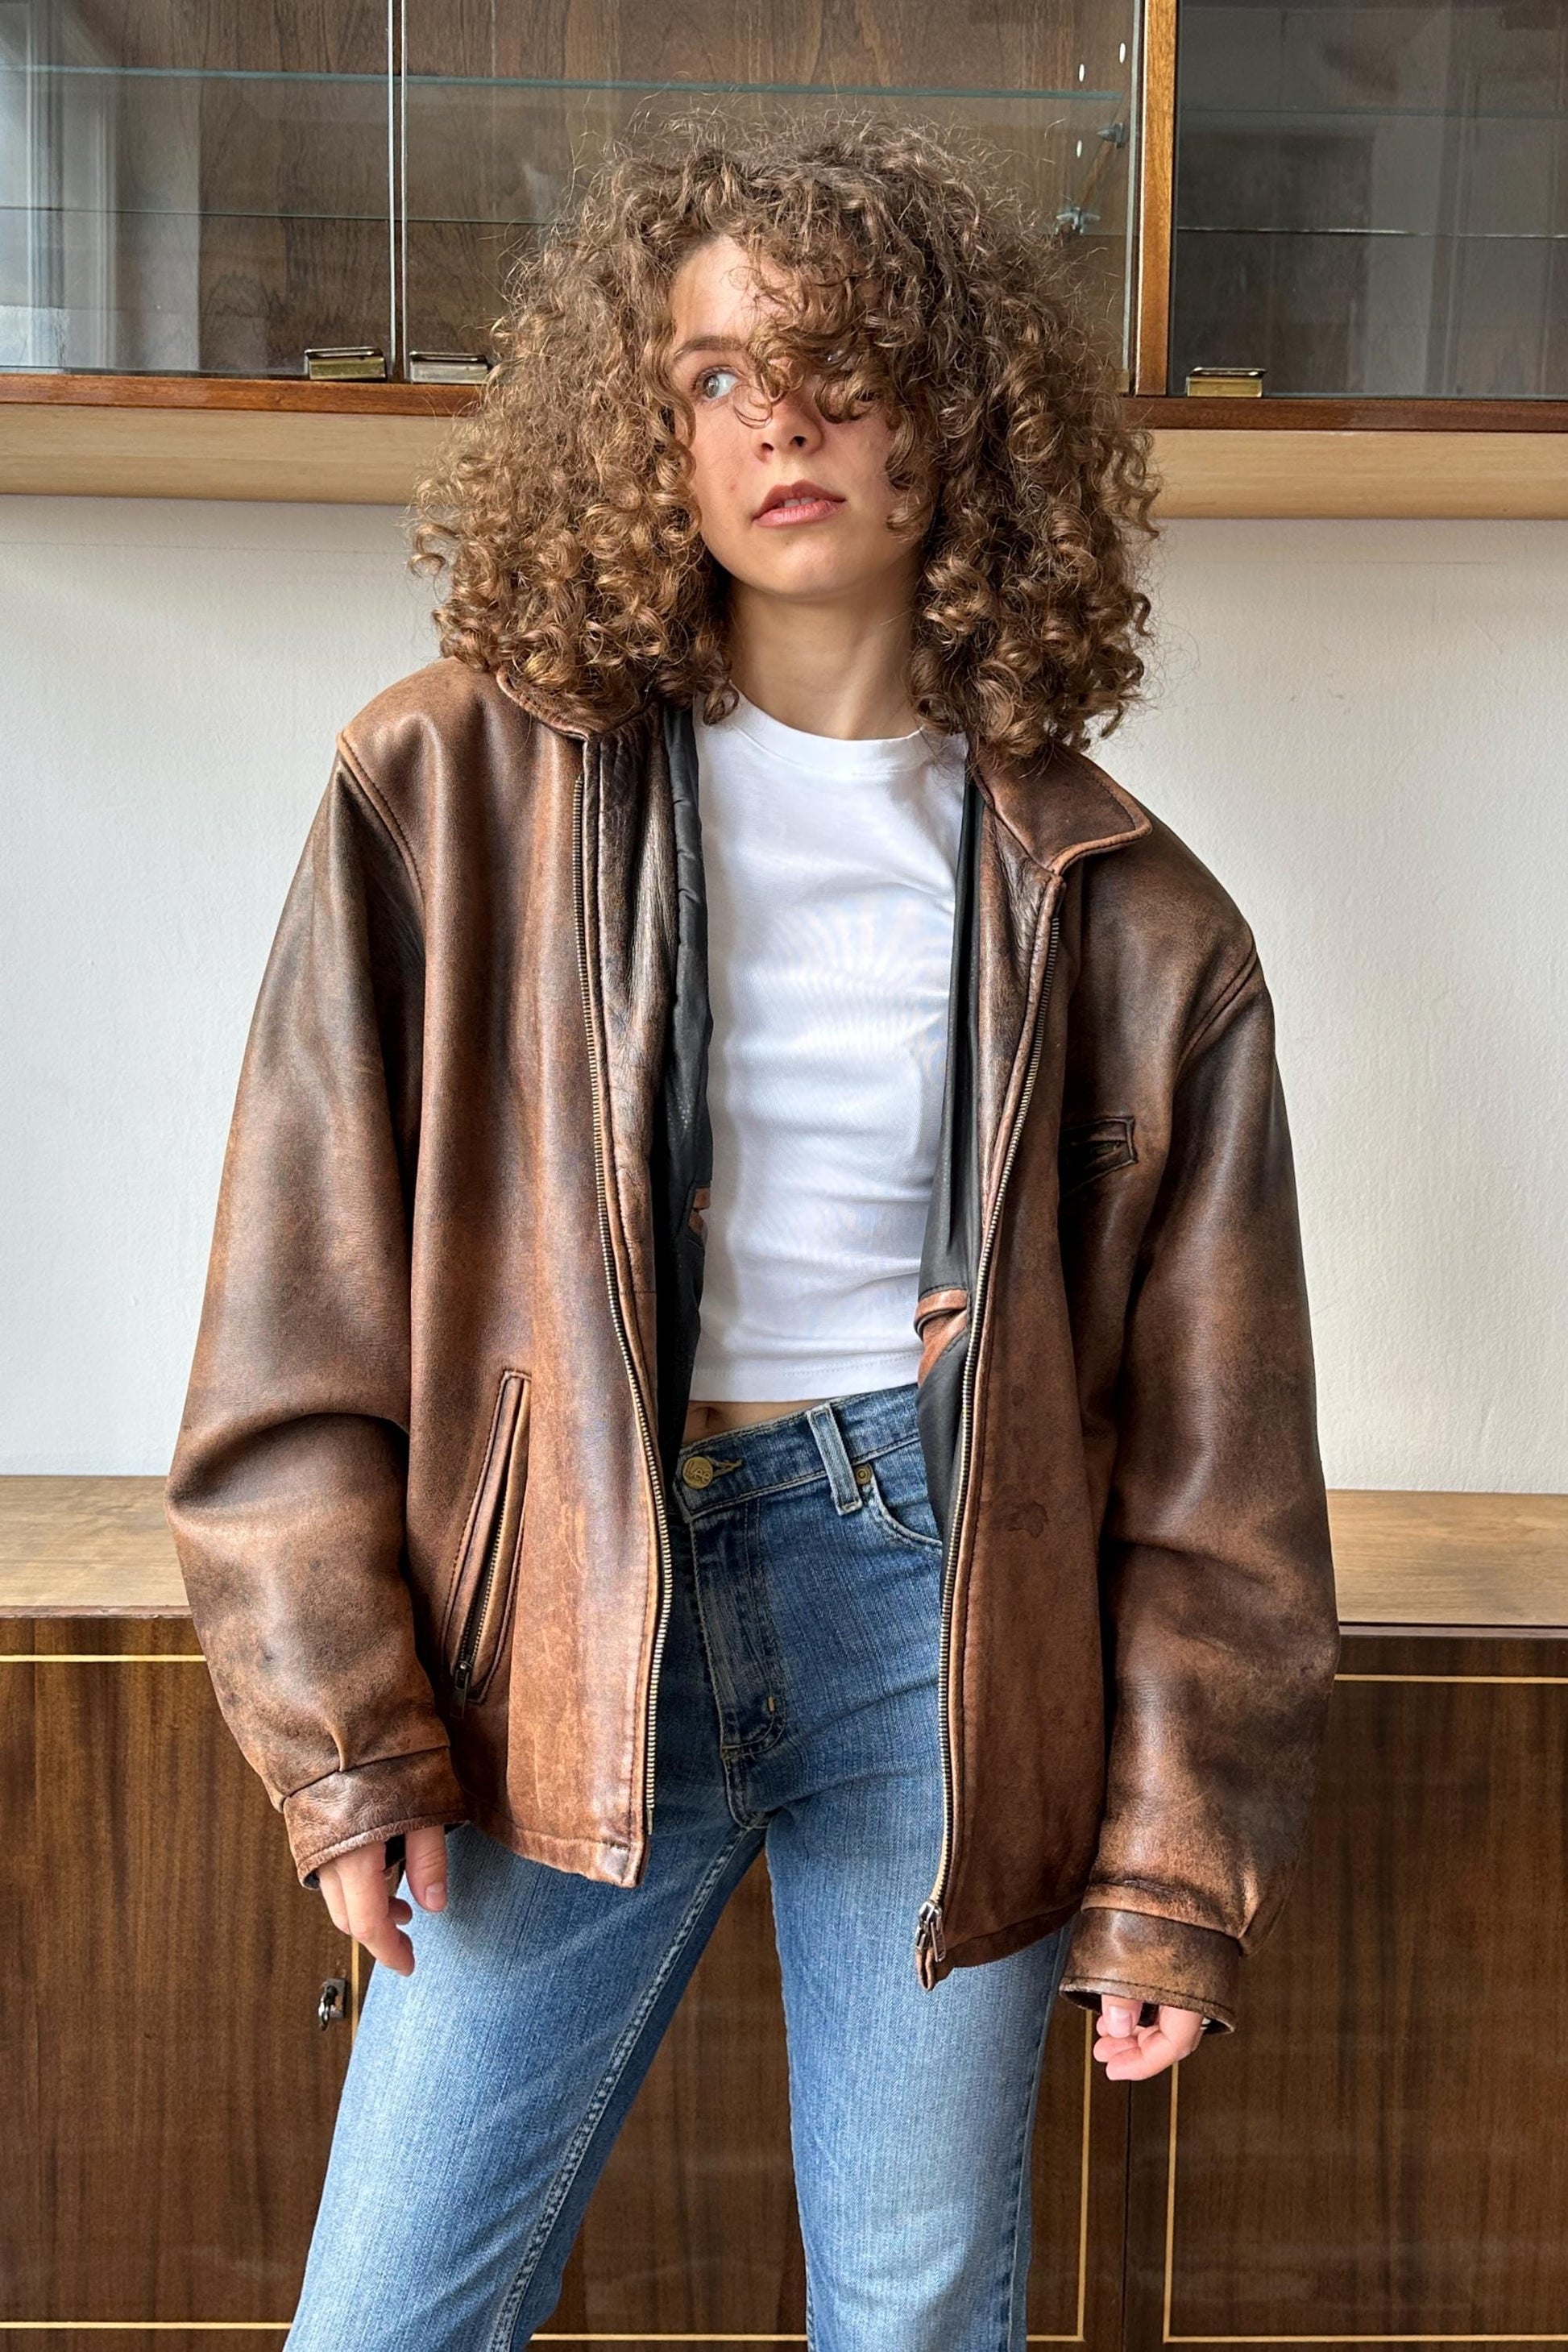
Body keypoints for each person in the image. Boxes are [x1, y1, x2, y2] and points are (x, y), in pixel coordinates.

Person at [165, 116, 1340, 2352]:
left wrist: (1173, 1873)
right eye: (712, 377)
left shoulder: (1142, 925)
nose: (773, 423)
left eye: (834, 366)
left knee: (914, 2307)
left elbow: (1219, 1477)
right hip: (561, 1631)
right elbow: (290, 1328)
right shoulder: (444, 791)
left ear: (956, 420)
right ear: (648, 433)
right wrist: (347, 1740)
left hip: (941, 1627)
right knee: (392, 2313)